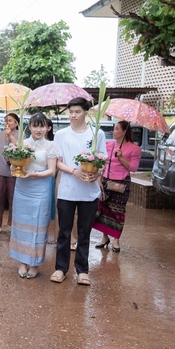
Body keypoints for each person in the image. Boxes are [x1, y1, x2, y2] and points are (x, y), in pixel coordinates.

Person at [52, 97, 107, 286]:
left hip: (89, 191)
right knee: (64, 232)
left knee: (85, 231)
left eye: (77, 112)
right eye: (71, 112)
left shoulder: (96, 134)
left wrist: (96, 173)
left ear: (86, 112)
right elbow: (57, 161)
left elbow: (102, 160)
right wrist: (74, 171)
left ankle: (82, 270)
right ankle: (60, 268)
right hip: (67, 189)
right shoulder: (61, 135)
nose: (73, 115)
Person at [9, 114, 60, 278]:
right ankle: (22, 261)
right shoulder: (23, 144)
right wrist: (13, 169)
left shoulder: (51, 145)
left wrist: (34, 174)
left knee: (38, 224)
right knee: (21, 222)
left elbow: (52, 171)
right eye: (35, 126)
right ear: (29, 127)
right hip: (22, 187)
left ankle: (35, 263)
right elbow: (15, 164)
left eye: (42, 126)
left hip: (40, 187)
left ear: (48, 128)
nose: (38, 130)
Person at [93, 120, 142, 253]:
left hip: (121, 184)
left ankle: (116, 239)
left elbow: (133, 168)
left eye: (116, 129)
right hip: (105, 181)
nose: (113, 132)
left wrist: (121, 158)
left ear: (124, 132)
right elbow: (100, 162)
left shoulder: (134, 149)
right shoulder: (108, 145)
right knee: (103, 210)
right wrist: (98, 178)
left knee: (117, 211)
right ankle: (105, 238)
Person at [0, 112, 20, 234]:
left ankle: (13, 223)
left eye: (10, 120)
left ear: (16, 123)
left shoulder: (20, 135)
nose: (7, 122)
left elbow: (21, 148)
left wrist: (11, 137)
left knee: (14, 199)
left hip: (14, 173)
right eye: (6, 120)